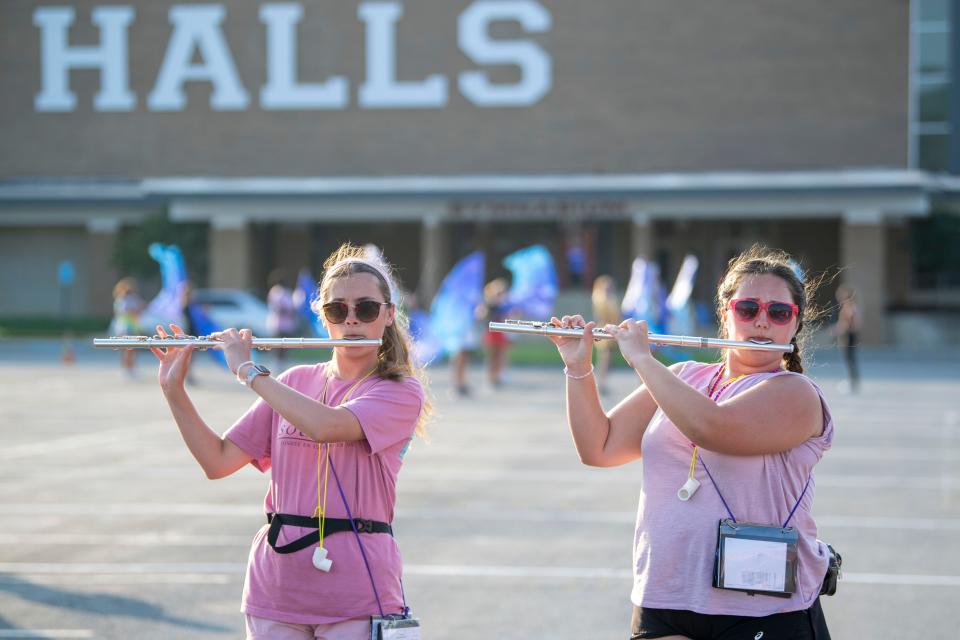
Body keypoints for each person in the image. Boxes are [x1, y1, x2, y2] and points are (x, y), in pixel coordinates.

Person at [549, 245, 833, 640]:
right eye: (748, 309)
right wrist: (577, 367)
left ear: (795, 322)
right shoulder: (683, 375)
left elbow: (713, 428)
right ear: (726, 313)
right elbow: (600, 447)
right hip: (666, 595)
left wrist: (644, 360)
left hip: (762, 606)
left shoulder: (797, 393)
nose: (763, 322)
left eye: (779, 312)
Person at [150, 243, 431, 640]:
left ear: (387, 315)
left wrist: (249, 371)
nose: (352, 320)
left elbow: (327, 426)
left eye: (365, 309)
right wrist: (173, 391)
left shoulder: (399, 391)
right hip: (276, 588)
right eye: (338, 310)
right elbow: (217, 461)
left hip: (357, 591)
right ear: (323, 317)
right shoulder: (294, 382)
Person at [477, 277, 512, 388]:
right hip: (490, 332)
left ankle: (498, 375)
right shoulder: (488, 303)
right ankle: (491, 376)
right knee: (492, 355)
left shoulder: (505, 304)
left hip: (501, 332)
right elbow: (480, 315)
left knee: (501, 354)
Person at [591, 275, 622, 395]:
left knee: (606, 360)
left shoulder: (611, 299)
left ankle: (602, 382)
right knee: (604, 359)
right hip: (604, 331)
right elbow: (601, 316)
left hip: (611, 331)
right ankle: (600, 383)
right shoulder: (600, 299)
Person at [110, 277, 144, 378]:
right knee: (126, 349)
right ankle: (126, 368)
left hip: (133, 326)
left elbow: (140, 308)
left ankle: (131, 367)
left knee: (133, 349)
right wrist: (135, 310)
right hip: (124, 327)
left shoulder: (133, 298)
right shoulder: (121, 299)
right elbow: (127, 311)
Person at [266, 268, 300, 368]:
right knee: (280, 344)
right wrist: (289, 311)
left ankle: (282, 362)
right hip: (279, 323)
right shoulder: (276, 291)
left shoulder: (286, 291)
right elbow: (278, 307)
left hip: (288, 324)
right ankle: (278, 363)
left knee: (286, 345)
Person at [833, 283, 861, 393]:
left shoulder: (848, 306)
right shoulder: (853, 305)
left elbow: (850, 322)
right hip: (852, 335)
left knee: (849, 360)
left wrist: (838, 329)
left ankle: (851, 383)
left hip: (848, 335)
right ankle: (853, 382)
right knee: (851, 360)